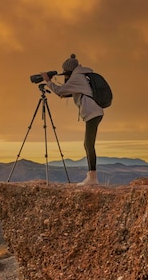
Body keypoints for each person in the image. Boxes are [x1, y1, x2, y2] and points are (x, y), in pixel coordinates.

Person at [41, 53, 103, 186]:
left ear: (69, 70)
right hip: (95, 112)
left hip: (93, 113)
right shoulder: (82, 76)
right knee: (88, 144)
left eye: (65, 72)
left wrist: (48, 80)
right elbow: (67, 93)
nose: (65, 75)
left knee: (88, 144)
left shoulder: (77, 78)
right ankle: (91, 177)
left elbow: (59, 91)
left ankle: (92, 178)